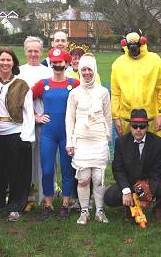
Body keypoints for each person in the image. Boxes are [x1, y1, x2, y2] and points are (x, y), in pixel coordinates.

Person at [103, 109, 161, 224]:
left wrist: (149, 194)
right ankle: (129, 206)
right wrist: (126, 190)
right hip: (129, 183)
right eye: (135, 126)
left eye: (142, 126)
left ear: (147, 127)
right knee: (109, 196)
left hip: (149, 182)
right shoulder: (121, 142)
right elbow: (118, 170)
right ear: (130, 126)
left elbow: (157, 172)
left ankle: (158, 207)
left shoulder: (159, 143)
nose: (138, 129)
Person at [32, 48, 79, 220]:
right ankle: (48, 205)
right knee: (47, 170)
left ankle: (65, 204)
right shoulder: (43, 83)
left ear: (66, 64)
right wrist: (36, 117)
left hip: (67, 133)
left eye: (60, 62)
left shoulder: (74, 84)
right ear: (50, 63)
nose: (57, 65)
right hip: (48, 133)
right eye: (54, 62)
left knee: (67, 170)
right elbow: (24, 100)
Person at [66, 55, 112, 225]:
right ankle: (84, 211)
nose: (86, 73)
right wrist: (69, 142)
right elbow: (69, 119)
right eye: (83, 69)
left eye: (89, 69)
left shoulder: (103, 92)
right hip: (81, 141)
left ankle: (100, 211)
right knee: (84, 178)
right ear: (79, 70)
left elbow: (108, 117)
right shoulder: (74, 93)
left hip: (99, 140)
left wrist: (107, 138)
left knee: (99, 179)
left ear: (94, 70)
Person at [0, 48, 35, 222]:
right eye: (2, 60)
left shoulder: (22, 84)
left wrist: (26, 136)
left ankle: (16, 206)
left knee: (17, 172)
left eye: (8, 60)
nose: (5, 63)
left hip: (15, 131)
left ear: (14, 63)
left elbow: (29, 112)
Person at [110, 30, 161, 137]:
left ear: (142, 43)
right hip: (127, 119)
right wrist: (116, 117)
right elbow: (115, 93)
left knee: (153, 151)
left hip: (151, 118)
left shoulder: (154, 61)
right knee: (128, 151)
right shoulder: (118, 64)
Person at [18, 36, 53, 210]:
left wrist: (42, 116)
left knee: (46, 159)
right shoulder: (19, 71)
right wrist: (33, 116)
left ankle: (47, 193)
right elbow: (20, 99)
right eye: (30, 51)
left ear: (41, 52)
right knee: (27, 160)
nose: (33, 54)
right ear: (25, 51)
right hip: (24, 123)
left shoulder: (48, 72)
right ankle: (28, 194)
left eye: (36, 51)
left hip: (45, 123)